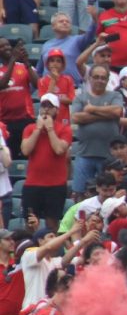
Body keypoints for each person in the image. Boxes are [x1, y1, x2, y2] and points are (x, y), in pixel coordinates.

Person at [21, 94, 72, 231]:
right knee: (30, 223)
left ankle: (52, 251)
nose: (46, 110)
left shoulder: (64, 129)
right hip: (33, 183)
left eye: (50, 107)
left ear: (56, 109)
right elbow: (25, 150)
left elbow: (59, 149)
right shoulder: (30, 128)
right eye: (43, 106)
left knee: (52, 224)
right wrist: (38, 129)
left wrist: (50, 129)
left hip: (55, 185)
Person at [70, 65, 123, 197]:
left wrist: (92, 109)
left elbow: (117, 111)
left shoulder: (115, 95)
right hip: (85, 153)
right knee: (80, 193)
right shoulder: (80, 98)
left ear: (107, 80)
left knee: (109, 193)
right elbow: (76, 117)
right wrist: (106, 114)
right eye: (96, 77)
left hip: (109, 157)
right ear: (90, 78)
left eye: (103, 78)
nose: (100, 80)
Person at [37, 12, 96, 85]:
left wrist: (94, 20)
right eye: (61, 21)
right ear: (53, 26)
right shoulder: (46, 45)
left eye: (67, 22)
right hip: (49, 87)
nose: (65, 23)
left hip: (72, 87)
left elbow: (90, 35)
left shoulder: (77, 40)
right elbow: (39, 70)